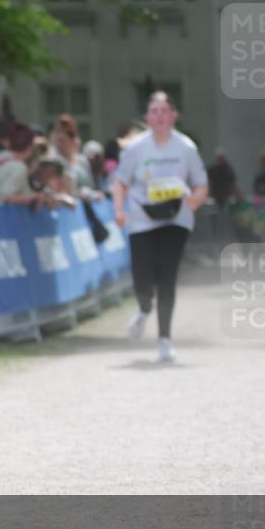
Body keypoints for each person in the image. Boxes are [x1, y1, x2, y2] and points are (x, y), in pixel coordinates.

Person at [112, 91, 208, 363]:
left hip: (176, 217)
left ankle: (164, 338)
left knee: (167, 273)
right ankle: (144, 309)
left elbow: (201, 184)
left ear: (174, 116)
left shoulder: (186, 148)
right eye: (154, 111)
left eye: (165, 110)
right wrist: (119, 210)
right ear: (147, 117)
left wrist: (195, 199)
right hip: (142, 218)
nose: (160, 116)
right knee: (143, 278)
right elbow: (120, 182)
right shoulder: (136, 148)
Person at [0, 123, 42, 207]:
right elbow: (4, 197)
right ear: (29, 147)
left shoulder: (0, 155)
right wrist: (34, 198)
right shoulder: (19, 167)